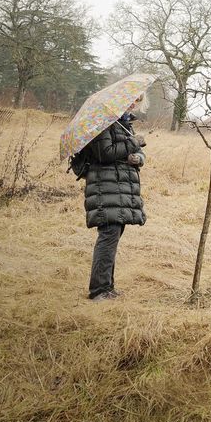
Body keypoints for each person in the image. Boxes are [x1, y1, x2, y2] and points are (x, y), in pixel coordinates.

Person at [78, 94, 147, 301]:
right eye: (131, 99)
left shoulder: (123, 123)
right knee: (108, 236)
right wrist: (133, 142)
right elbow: (105, 153)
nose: (134, 104)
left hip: (120, 187)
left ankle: (107, 287)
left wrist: (139, 158)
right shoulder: (102, 122)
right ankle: (99, 290)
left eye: (137, 101)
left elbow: (135, 152)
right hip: (105, 186)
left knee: (113, 236)